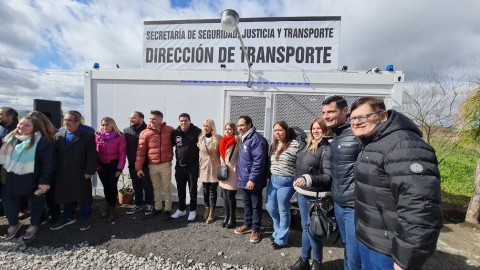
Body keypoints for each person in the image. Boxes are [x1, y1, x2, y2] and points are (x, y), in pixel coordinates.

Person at [350, 97, 443, 270]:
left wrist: (405, 259)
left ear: (383, 116)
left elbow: (420, 206)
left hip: (389, 248)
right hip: (370, 238)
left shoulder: (404, 145)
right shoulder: (372, 142)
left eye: (363, 117)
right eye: (353, 118)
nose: (356, 122)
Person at [0, 115, 57, 240]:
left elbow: (49, 164)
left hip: (32, 179)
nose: (22, 127)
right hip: (10, 178)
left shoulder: (43, 142)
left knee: (36, 203)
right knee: (8, 202)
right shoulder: (9, 139)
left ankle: (34, 224)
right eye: (20, 124)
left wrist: (44, 181)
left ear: (35, 128)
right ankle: (14, 224)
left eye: (26, 125)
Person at [321, 95, 362, 270]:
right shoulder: (337, 135)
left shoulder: (357, 134)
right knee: (347, 247)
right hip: (339, 203)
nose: (326, 116)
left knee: (354, 256)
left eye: (331, 111)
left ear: (345, 111)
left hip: (353, 207)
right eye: (324, 112)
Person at [290, 117, 332, 270]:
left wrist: (307, 179)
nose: (315, 131)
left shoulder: (327, 149)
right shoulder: (308, 145)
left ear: (325, 130)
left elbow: (328, 177)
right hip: (303, 193)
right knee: (306, 227)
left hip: (315, 196)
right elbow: (299, 166)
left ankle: (317, 262)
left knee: (313, 229)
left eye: (318, 128)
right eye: (313, 128)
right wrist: (297, 179)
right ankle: (304, 260)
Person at [50, 111, 98, 231]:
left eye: (69, 120)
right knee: (65, 195)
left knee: (83, 197)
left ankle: (86, 218)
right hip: (63, 173)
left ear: (78, 122)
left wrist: (89, 171)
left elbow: (92, 155)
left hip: (81, 172)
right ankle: (68, 217)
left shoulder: (87, 136)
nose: (66, 122)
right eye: (65, 120)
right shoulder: (58, 136)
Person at [233, 115, 268, 244]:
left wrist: (252, 179)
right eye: (238, 125)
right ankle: (247, 224)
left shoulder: (257, 140)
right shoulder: (244, 139)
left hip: (253, 181)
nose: (239, 128)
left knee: (255, 205)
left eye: (242, 125)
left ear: (249, 125)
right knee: (246, 203)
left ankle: (255, 229)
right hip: (244, 179)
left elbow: (259, 162)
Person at [266, 121, 299, 249]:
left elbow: (299, 163)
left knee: (283, 210)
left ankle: (281, 239)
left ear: (286, 130)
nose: (277, 133)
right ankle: (278, 230)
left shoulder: (295, 145)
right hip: (273, 180)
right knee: (270, 207)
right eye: (275, 131)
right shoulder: (274, 144)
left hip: (286, 181)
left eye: (280, 130)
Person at [135, 110, 174, 218]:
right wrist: (138, 167)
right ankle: (158, 208)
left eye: (154, 119)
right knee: (156, 187)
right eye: (150, 118)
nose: (151, 120)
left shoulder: (170, 130)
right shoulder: (145, 133)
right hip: (152, 165)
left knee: (166, 188)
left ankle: (167, 209)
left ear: (161, 119)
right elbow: (140, 152)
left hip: (165, 164)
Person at [26, 111, 60, 222]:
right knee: (37, 195)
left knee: (50, 194)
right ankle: (42, 214)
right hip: (35, 170)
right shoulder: (29, 136)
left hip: (48, 170)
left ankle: (52, 214)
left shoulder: (50, 136)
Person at [171, 113, 202, 221]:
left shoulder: (197, 131)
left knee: (192, 189)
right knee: (180, 189)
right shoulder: (175, 133)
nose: (183, 123)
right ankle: (181, 209)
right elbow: (169, 145)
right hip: (179, 166)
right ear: (179, 122)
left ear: (189, 121)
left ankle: (192, 210)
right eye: (181, 121)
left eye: (185, 120)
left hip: (192, 166)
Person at [95, 117, 126, 222]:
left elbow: (122, 154)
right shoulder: (97, 135)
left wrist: (119, 168)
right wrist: (96, 164)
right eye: (103, 124)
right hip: (101, 166)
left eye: (107, 124)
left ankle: (113, 209)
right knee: (106, 187)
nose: (105, 127)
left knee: (112, 186)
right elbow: (94, 152)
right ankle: (107, 205)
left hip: (114, 165)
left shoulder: (119, 136)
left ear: (112, 125)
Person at [124, 111, 154, 216]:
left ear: (141, 119)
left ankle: (150, 204)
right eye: (130, 117)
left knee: (148, 186)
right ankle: (139, 203)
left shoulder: (149, 130)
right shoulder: (126, 131)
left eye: (133, 118)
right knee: (136, 185)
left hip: (146, 165)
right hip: (132, 164)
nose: (131, 120)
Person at [197, 119, 222, 224]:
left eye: (207, 126)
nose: (205, 128)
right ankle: (206, 208)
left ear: (211, 127)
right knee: (205, 190)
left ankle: (212, 212)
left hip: (214, 167)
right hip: (204, 167)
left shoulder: (218, 138)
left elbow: (223, 153)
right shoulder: (201, 138)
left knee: (213, 191)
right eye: (204, 126)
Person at [218, 122, 241, 229]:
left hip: (232, 171)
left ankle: (233, 218)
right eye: (226, 129)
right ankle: (226, 216)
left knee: (231, 196)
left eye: (230, 129)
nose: (228, 131)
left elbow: (242, 156)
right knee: (225, 196)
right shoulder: (223, 140)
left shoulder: (237, 140)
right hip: (224, 170)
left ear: (234, 130)